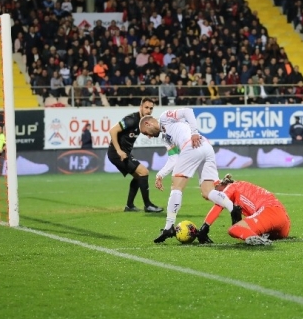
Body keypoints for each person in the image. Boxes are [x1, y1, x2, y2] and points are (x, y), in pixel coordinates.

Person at [139, 108, 237, 243]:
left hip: (192, 145)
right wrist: (160, 175)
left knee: (176, 187)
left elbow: (187, 111)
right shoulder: (165, 137)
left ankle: (168, 228)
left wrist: (194, 133)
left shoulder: (164, 117)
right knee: (207, 192)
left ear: (148, 124)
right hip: (205, 147)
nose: (149, 136)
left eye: (146, 133)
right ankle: (233, 208)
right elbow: (173, 158)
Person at [196, 174, 290, 246]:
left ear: (220, 185)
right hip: (283, 223)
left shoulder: (231, 186)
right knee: (241, 228)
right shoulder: (240, 188)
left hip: (270, 211)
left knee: (235, 229)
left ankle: (261, 242)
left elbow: (218, 205)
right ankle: (262, 237)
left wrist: (205, 227)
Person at [107, 97, 164, 213]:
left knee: (139, 177)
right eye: (146, 107)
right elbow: (112, 131)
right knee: (144, 172)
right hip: (116, 153)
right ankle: (148, 205)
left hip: (125, 152)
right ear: (141, 107)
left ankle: (129, 206)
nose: (148, 110)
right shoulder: (131, 119)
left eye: (151, 108)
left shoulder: (143, 122)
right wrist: (118, 150)